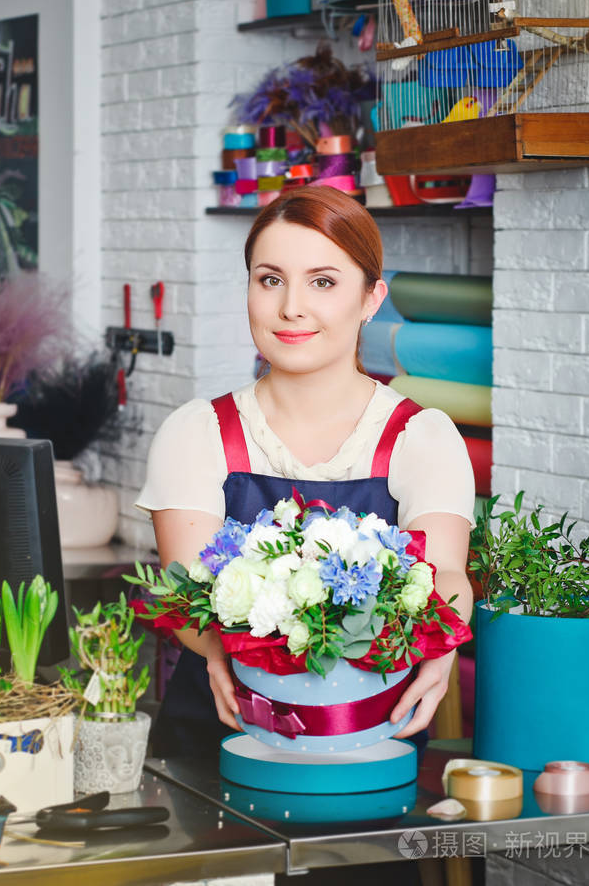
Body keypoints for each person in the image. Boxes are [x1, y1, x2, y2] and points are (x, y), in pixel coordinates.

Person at [135, 185, 475, 758]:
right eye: (270, 279)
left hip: (370, 730)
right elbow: (184, 590)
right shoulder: (197, 433)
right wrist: (217, 650)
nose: (291, 307)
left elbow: (446, 575)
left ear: (370, 299)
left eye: (323, 282)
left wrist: (441, 650)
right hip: (217, 726)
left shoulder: (421, 437)